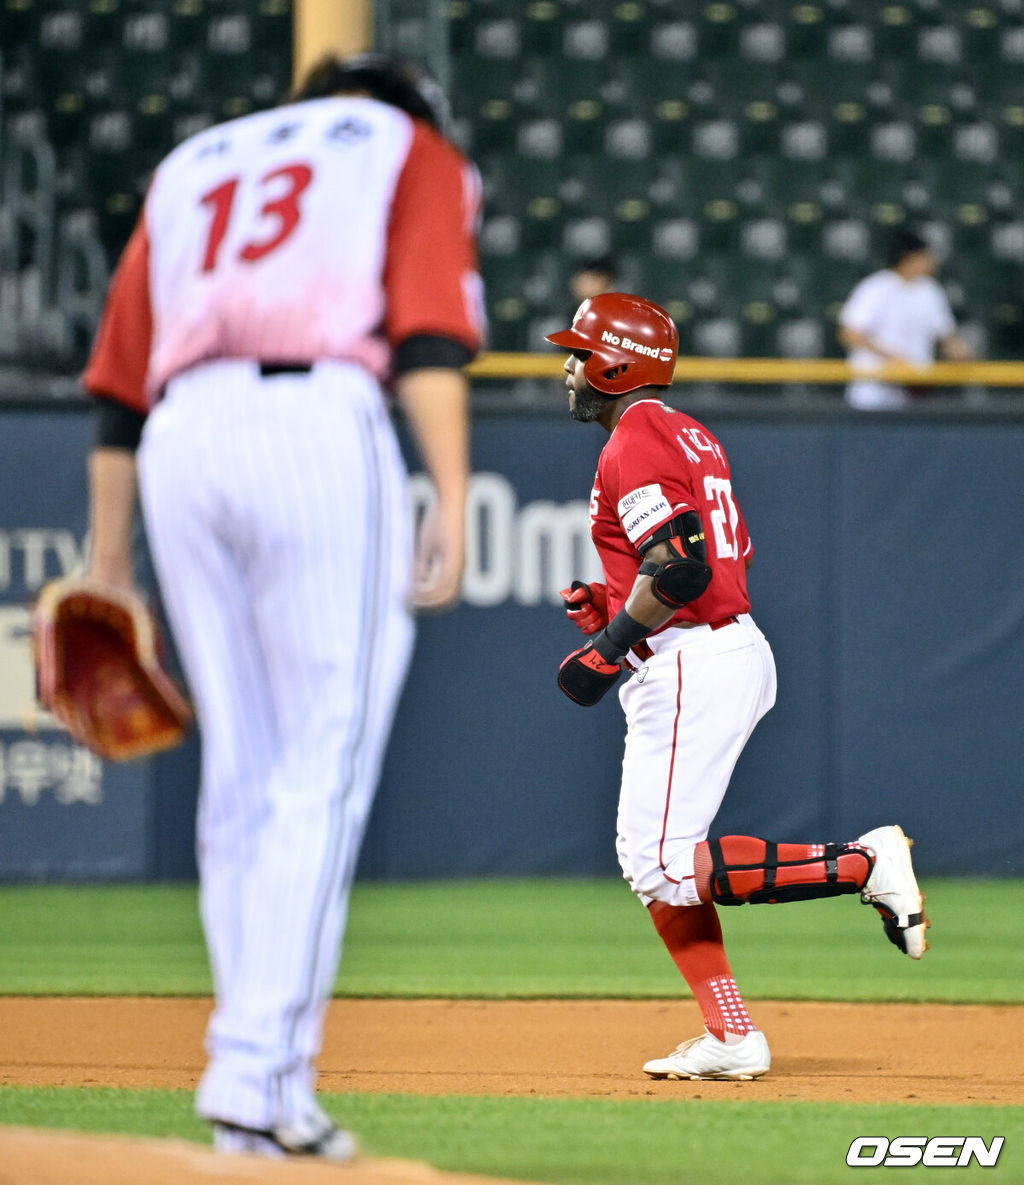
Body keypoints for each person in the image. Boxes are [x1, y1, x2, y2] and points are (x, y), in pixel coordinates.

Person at [80, 53, 483, 1157]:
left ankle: (266, 1088)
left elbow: (117, 388)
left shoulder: (193, 164)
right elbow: (432, 337)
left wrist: (108, 560)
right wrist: (447, 494)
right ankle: (255, 1072)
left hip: (178, 439)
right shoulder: (408, 147)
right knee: (322, 763)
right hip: (314, 422)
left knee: (243, 781)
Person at [549, 293, 928, 1081]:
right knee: (655, 860)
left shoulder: (638, 434)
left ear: (617, 362)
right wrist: (616, 604)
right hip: (710, 649)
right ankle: (731, 1034)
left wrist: (613, 644)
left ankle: (862, 863)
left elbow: (682, 566)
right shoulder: (687, 431)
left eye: (582, 352)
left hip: (695, 657)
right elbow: (709, 560)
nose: (570, 366)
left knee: (657, 861)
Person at [838, 229, 973, 410]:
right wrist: (894, 358)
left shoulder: (930, 291)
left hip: (913, 394)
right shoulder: (875, 287)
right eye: (925, 256)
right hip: (873, 394)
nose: (932, 261)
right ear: (909, 258)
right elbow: (850, 334)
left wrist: (958, 349)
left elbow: (945, 335)